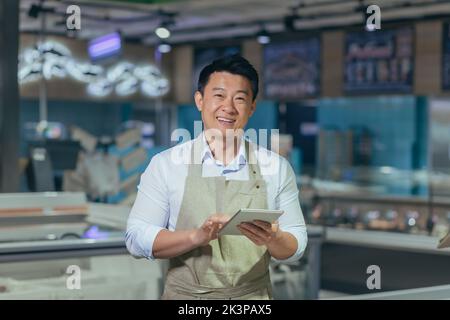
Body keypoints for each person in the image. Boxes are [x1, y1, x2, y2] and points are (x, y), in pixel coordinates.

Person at [126, 54, 307, 300]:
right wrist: (195, 237)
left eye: (240, 99)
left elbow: (296, 244)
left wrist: (274, 238)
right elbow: (136, 238)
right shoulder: (166, 165)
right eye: (219, 95)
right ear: (200, 100)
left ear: (252, 107)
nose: (228, 108)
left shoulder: (276, 167)